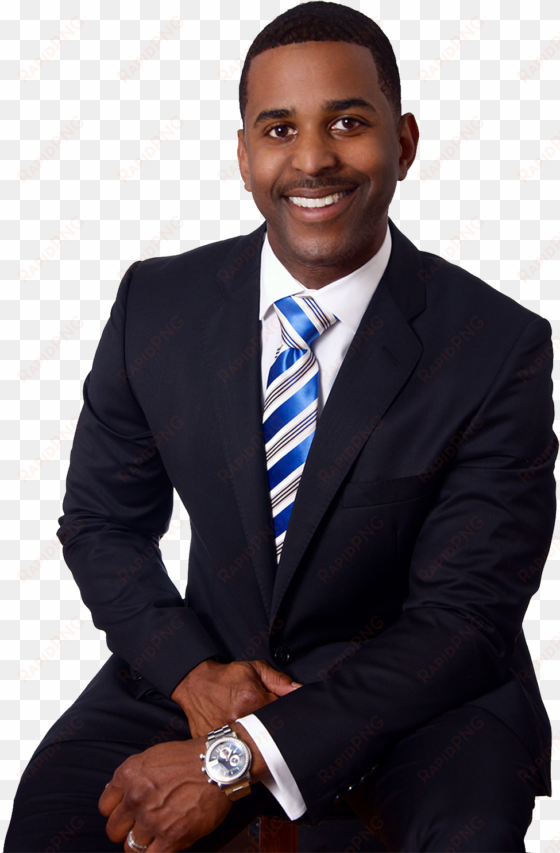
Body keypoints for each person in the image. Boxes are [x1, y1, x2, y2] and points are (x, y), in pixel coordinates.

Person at [5, 2, 556, 852]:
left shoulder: (497, 346)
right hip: (199, 666)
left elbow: (464, 616)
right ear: (243, 154)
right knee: (50, 826)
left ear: (403, 142)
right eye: (278, 128)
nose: (312, 158)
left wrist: (237, 756)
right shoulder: (156, 305)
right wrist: (191, 674)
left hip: (423, 695)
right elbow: (102, 523)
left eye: (348, 121)